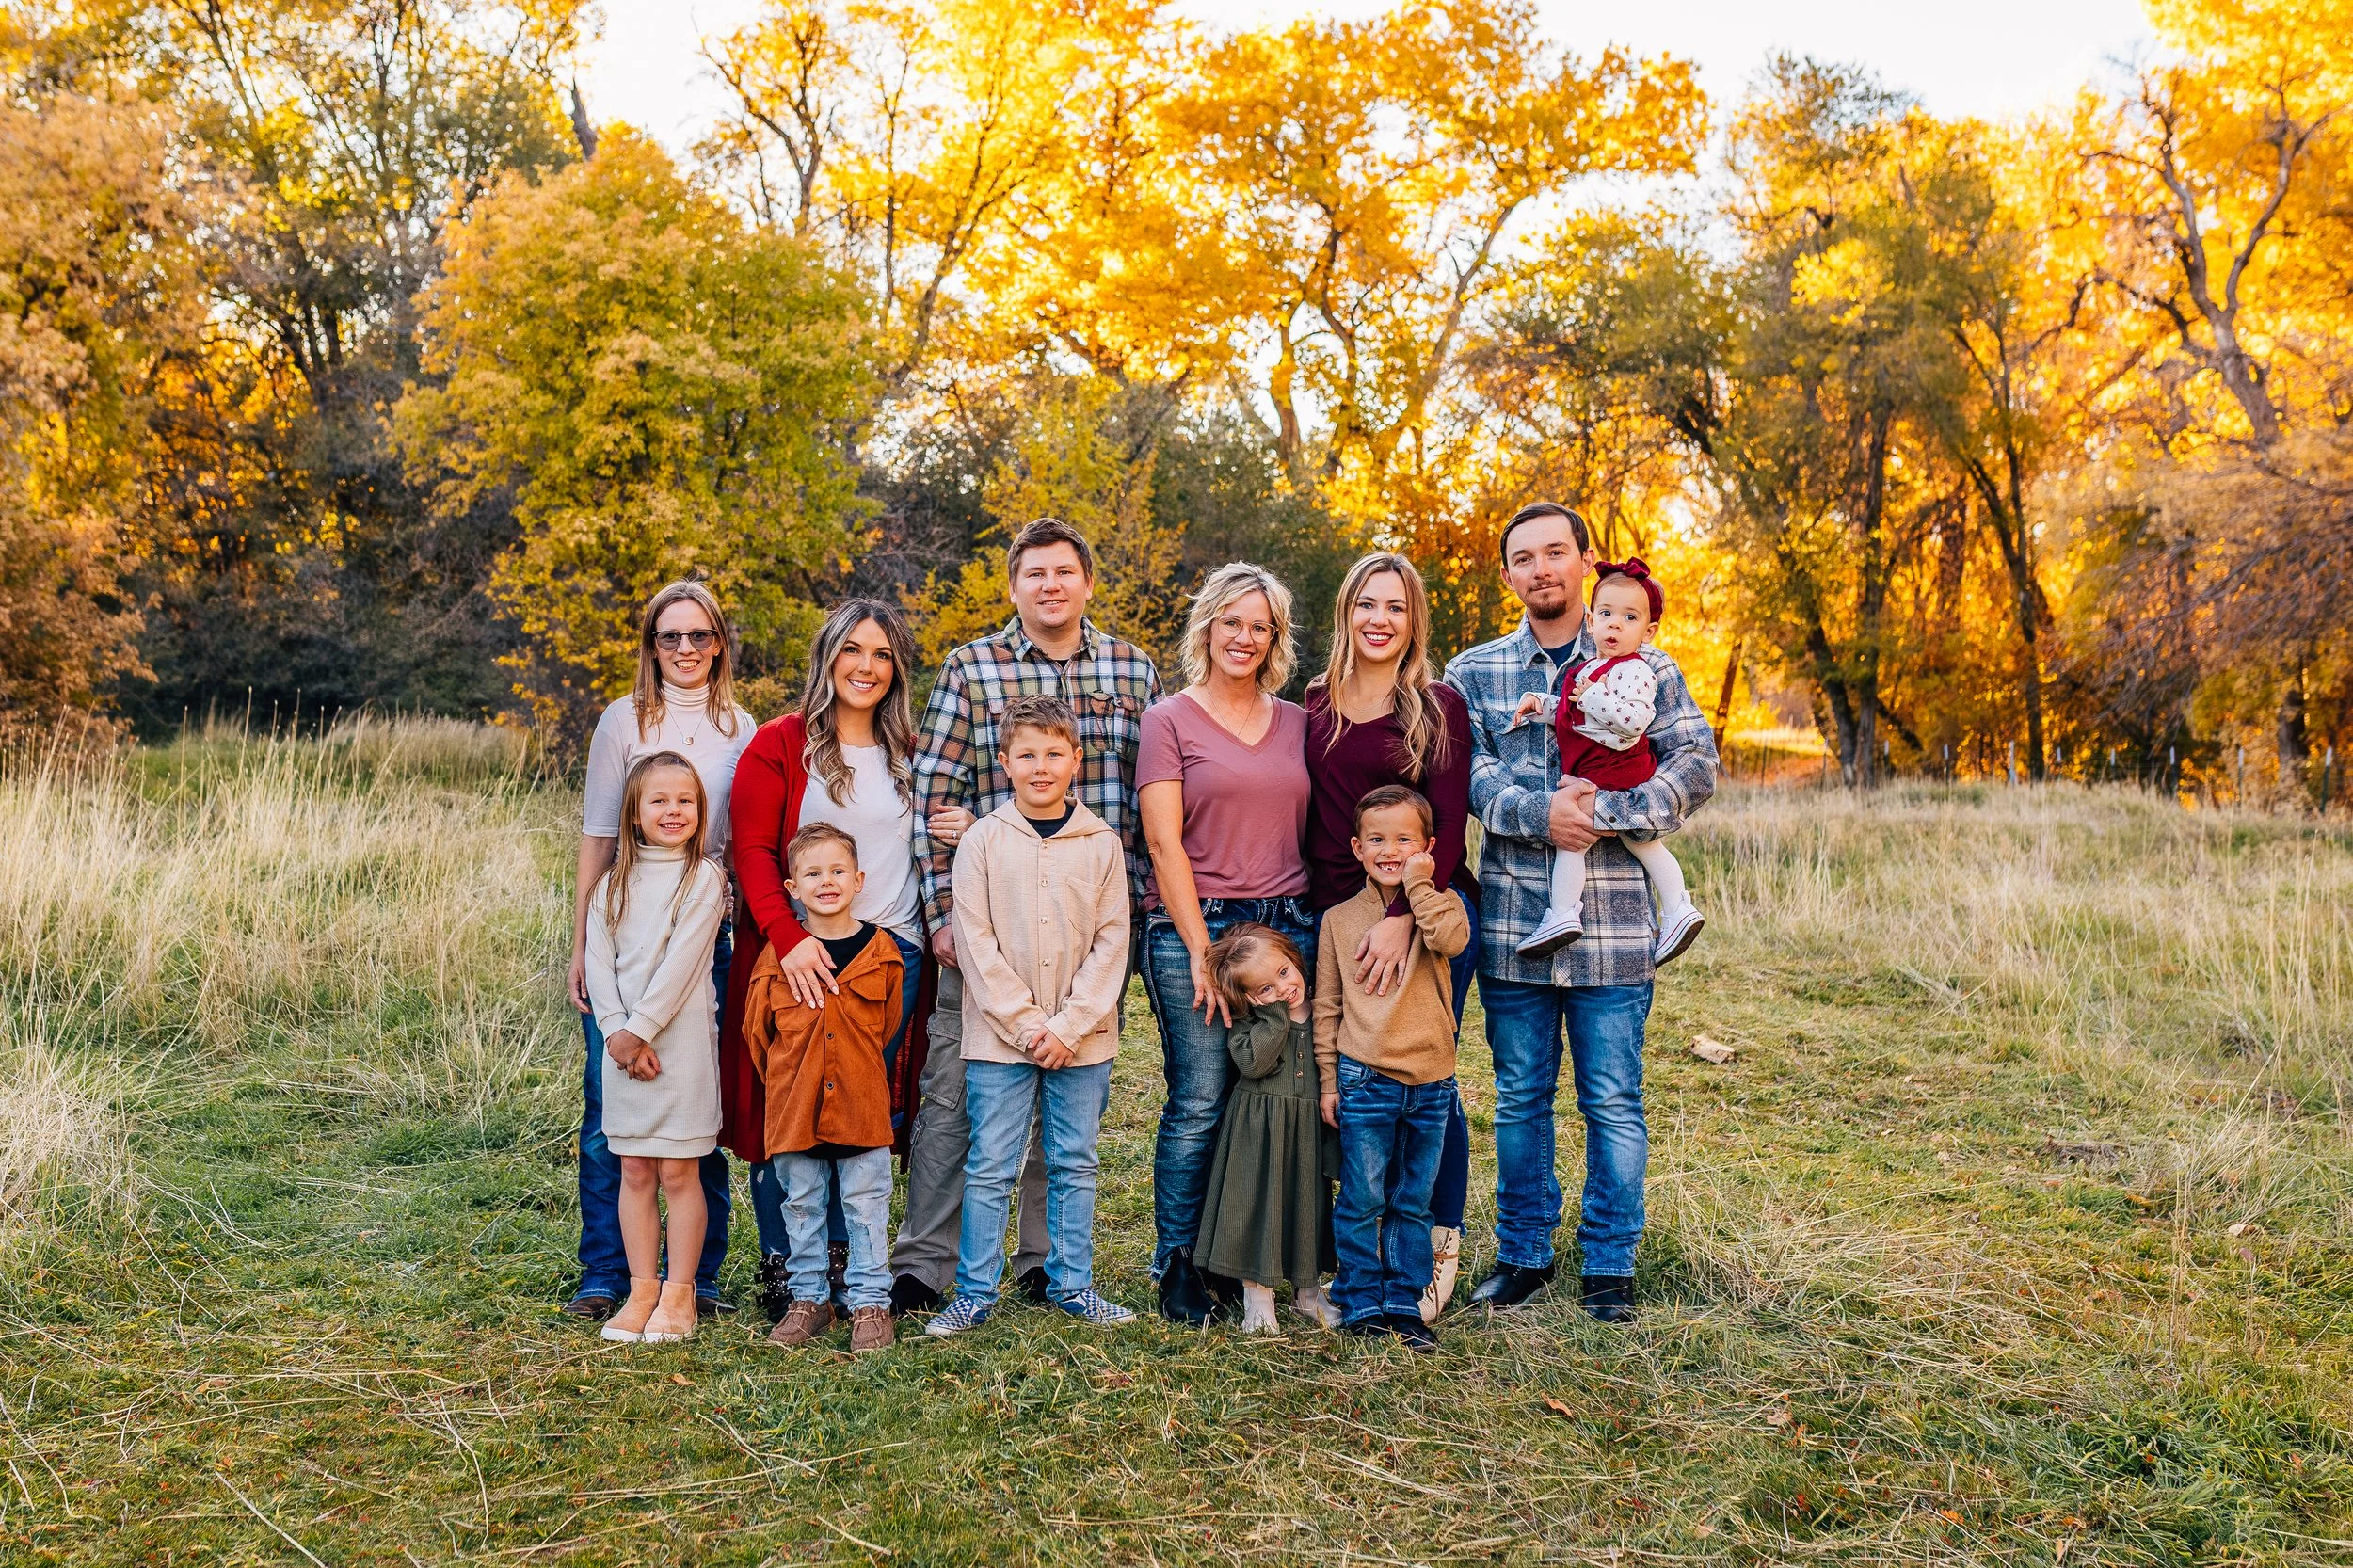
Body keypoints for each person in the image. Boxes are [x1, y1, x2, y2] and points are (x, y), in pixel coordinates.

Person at [1442, 503, 1718, 1323]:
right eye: (1523, 558)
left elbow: (1697, 761)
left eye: (1555, 553)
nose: (1541, 570)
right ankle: (1524, 1253)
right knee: (1521, 1095)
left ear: (1585, 562)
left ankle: (1609, 1264)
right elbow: (1473, 776)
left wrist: (1612, 813)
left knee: (1612, 1097)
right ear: (1508, 576)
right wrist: (1541, 815)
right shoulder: (1477, 672)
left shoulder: (1650, 666)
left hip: (1618, 928)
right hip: (1517, 925)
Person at [894, 518, 1162, 1316]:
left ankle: (1048, 1266)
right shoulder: (973, 669)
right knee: (957, 1102)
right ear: (1014, 587)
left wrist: (1138, 909)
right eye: (1035, 573)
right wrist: (944, 914)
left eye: (1064, 572)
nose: (1051, 585)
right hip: (989, 926)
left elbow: (1149, 791)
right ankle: (930, 1266)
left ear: (1086, 582)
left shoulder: (1130, 668)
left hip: (1092, 923)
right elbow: (931, 793)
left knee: (1068, 1101)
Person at [724, 600, 969, 1325]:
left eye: (884, 655)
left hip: (890, 956)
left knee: (862, 1109)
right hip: (797, 952)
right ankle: (789, 1267)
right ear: (828, 658)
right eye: (853, 651)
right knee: (790, 1104)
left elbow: (946, 835)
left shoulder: (914, 753)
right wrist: (788, 940)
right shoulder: (780, 745)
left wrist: (963, 820)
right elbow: (754, 855)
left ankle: (850, 1268)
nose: (867, 667)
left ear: (898, 668)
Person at [565, 582, 756, 1323]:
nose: (685, 650)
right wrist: (582, 938)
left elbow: (737, 841)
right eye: (670, 637)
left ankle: (694, 1281)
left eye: (700, 636)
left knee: (692, 1113)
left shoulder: (738, 727)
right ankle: (609, 1274)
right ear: (651, 645)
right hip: (622, 930)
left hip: (699, 931)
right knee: (606, 1104)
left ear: (720, 644)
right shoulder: (622, 721)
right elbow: (598, 836)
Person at [1302, 552, 1478, 1324]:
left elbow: (1446, 830)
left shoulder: (1438, 706)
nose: (1379, 619)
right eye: (1366, 604)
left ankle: (1436, 1246)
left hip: (1422, 916)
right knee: (1350, 1085)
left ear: (1414, 622)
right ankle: (1351, 1261)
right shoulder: (1313, 702)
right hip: (1334, 917)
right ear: (1346, 613)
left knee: (1425, 1079)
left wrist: (1404, 919)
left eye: (1396, 608)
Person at [1136, 562, 1314, 1324]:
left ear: (1275, 638)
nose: (1244, 637)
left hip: (1286, 925)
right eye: (1232, 621)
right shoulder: (1168, 720)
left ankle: (1252, 1258)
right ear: (1207, 625)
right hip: (1195, 926)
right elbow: (1163, 844)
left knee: (1273, 1096)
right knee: (1203, 1098)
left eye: (1260, 626)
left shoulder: (1301, 722)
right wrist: (1200, 952)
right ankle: (1180, 1263)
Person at [924, 697, 1137, 1335]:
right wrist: (1024, 1025)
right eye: (1027, 755)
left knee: (1075, 1161)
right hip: (998, 1039)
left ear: (1076, 760)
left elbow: (1112, 941)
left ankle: (1074, 1283)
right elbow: (975, 942)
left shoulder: (1100, 843)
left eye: (1053, 754)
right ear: (1005, 763)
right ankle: (974, 1292)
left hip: (1083, 1041)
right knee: (991, 1164)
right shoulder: (984, 842)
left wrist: (1068, 1026)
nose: (1040, 767)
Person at [1312, 786, 1468, 1353]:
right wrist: (1329, 1080)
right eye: (1377, 840)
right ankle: (1361, 1298)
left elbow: (1451, 940)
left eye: (1405, 841)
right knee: (1361, 1197)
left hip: (1430, 1081)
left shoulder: (1440, 906)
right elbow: (1326, 1007)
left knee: (1412, 1201)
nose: (1389, 850)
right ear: (1356, 847)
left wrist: (1420, 885)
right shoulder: (1337, 920)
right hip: (1364, 1078)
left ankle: (1404, 1300)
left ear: (1428, 846)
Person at [741, 824, 904, 1352]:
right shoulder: (776, 960)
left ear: (858, 880)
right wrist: (793, 1085)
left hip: (861, 1106)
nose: (826, 882)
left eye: (838, 872)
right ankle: (807, 1301)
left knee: (866, 1207)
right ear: (791, 888)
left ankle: (871, 1304)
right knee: (803, 1207)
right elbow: (758, 1035)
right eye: (812, 873)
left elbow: (889, 1027)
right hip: (795, 1107)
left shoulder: (883, 954)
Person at [584, 753, 728, 1344]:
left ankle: (679, 1294)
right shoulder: (612, 883)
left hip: (682, 1044)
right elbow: (599, 963)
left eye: (685, 801)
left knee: (678, 1169)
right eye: (659, 801)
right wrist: (616, 1034)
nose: (673, 811)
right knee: (636, 1169)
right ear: (635, 813)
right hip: (622, 1048)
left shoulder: (704, 879)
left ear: (701, 810)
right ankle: (642, 1288)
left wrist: (636, 1031)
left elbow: (682, 965)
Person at [1509, 557, 1705, 962]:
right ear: (1591, 621)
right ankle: (1670, 908)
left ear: (1648, 631)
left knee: (1605, 841)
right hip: (1593, 769)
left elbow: (1634, 720)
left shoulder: (1637, 670)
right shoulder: (1588, 668)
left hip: (1616, 770)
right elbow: (1572, 711)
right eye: (1606, 613)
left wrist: (1593, 696)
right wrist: (1540, 705)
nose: (1615, 624)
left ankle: (1573, 912)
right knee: (1631, 844)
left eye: (1629, 617)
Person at [1193, 924, 1338, 1334]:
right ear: (1248, 998)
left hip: (1305, 1130)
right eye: (1266, 988)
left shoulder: (1323, 1012)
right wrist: (1274, 1016)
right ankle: (1258, 1300)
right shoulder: (1251, 1023)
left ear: (1295, 959)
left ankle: (1308, 1294)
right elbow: (1255, 1064)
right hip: (1258, 1133)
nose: (1283, 987)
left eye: (1284, 972)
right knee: (1255, 1208)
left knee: (1306, 1207)